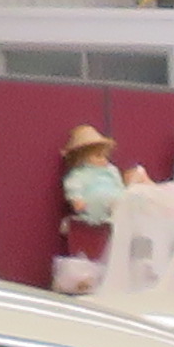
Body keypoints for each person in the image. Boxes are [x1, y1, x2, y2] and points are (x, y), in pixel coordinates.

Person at [50, 121, 121, 291]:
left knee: (123, 199)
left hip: (114, 199)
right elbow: (73, 187)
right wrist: (76, 199)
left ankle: (119, 210)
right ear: (82, 157)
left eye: (104, 156)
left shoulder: (111, 171)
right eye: (97, 156)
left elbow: (119, 186)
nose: (103, 160)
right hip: (93, 203)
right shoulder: (79, 174)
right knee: (106, 199)